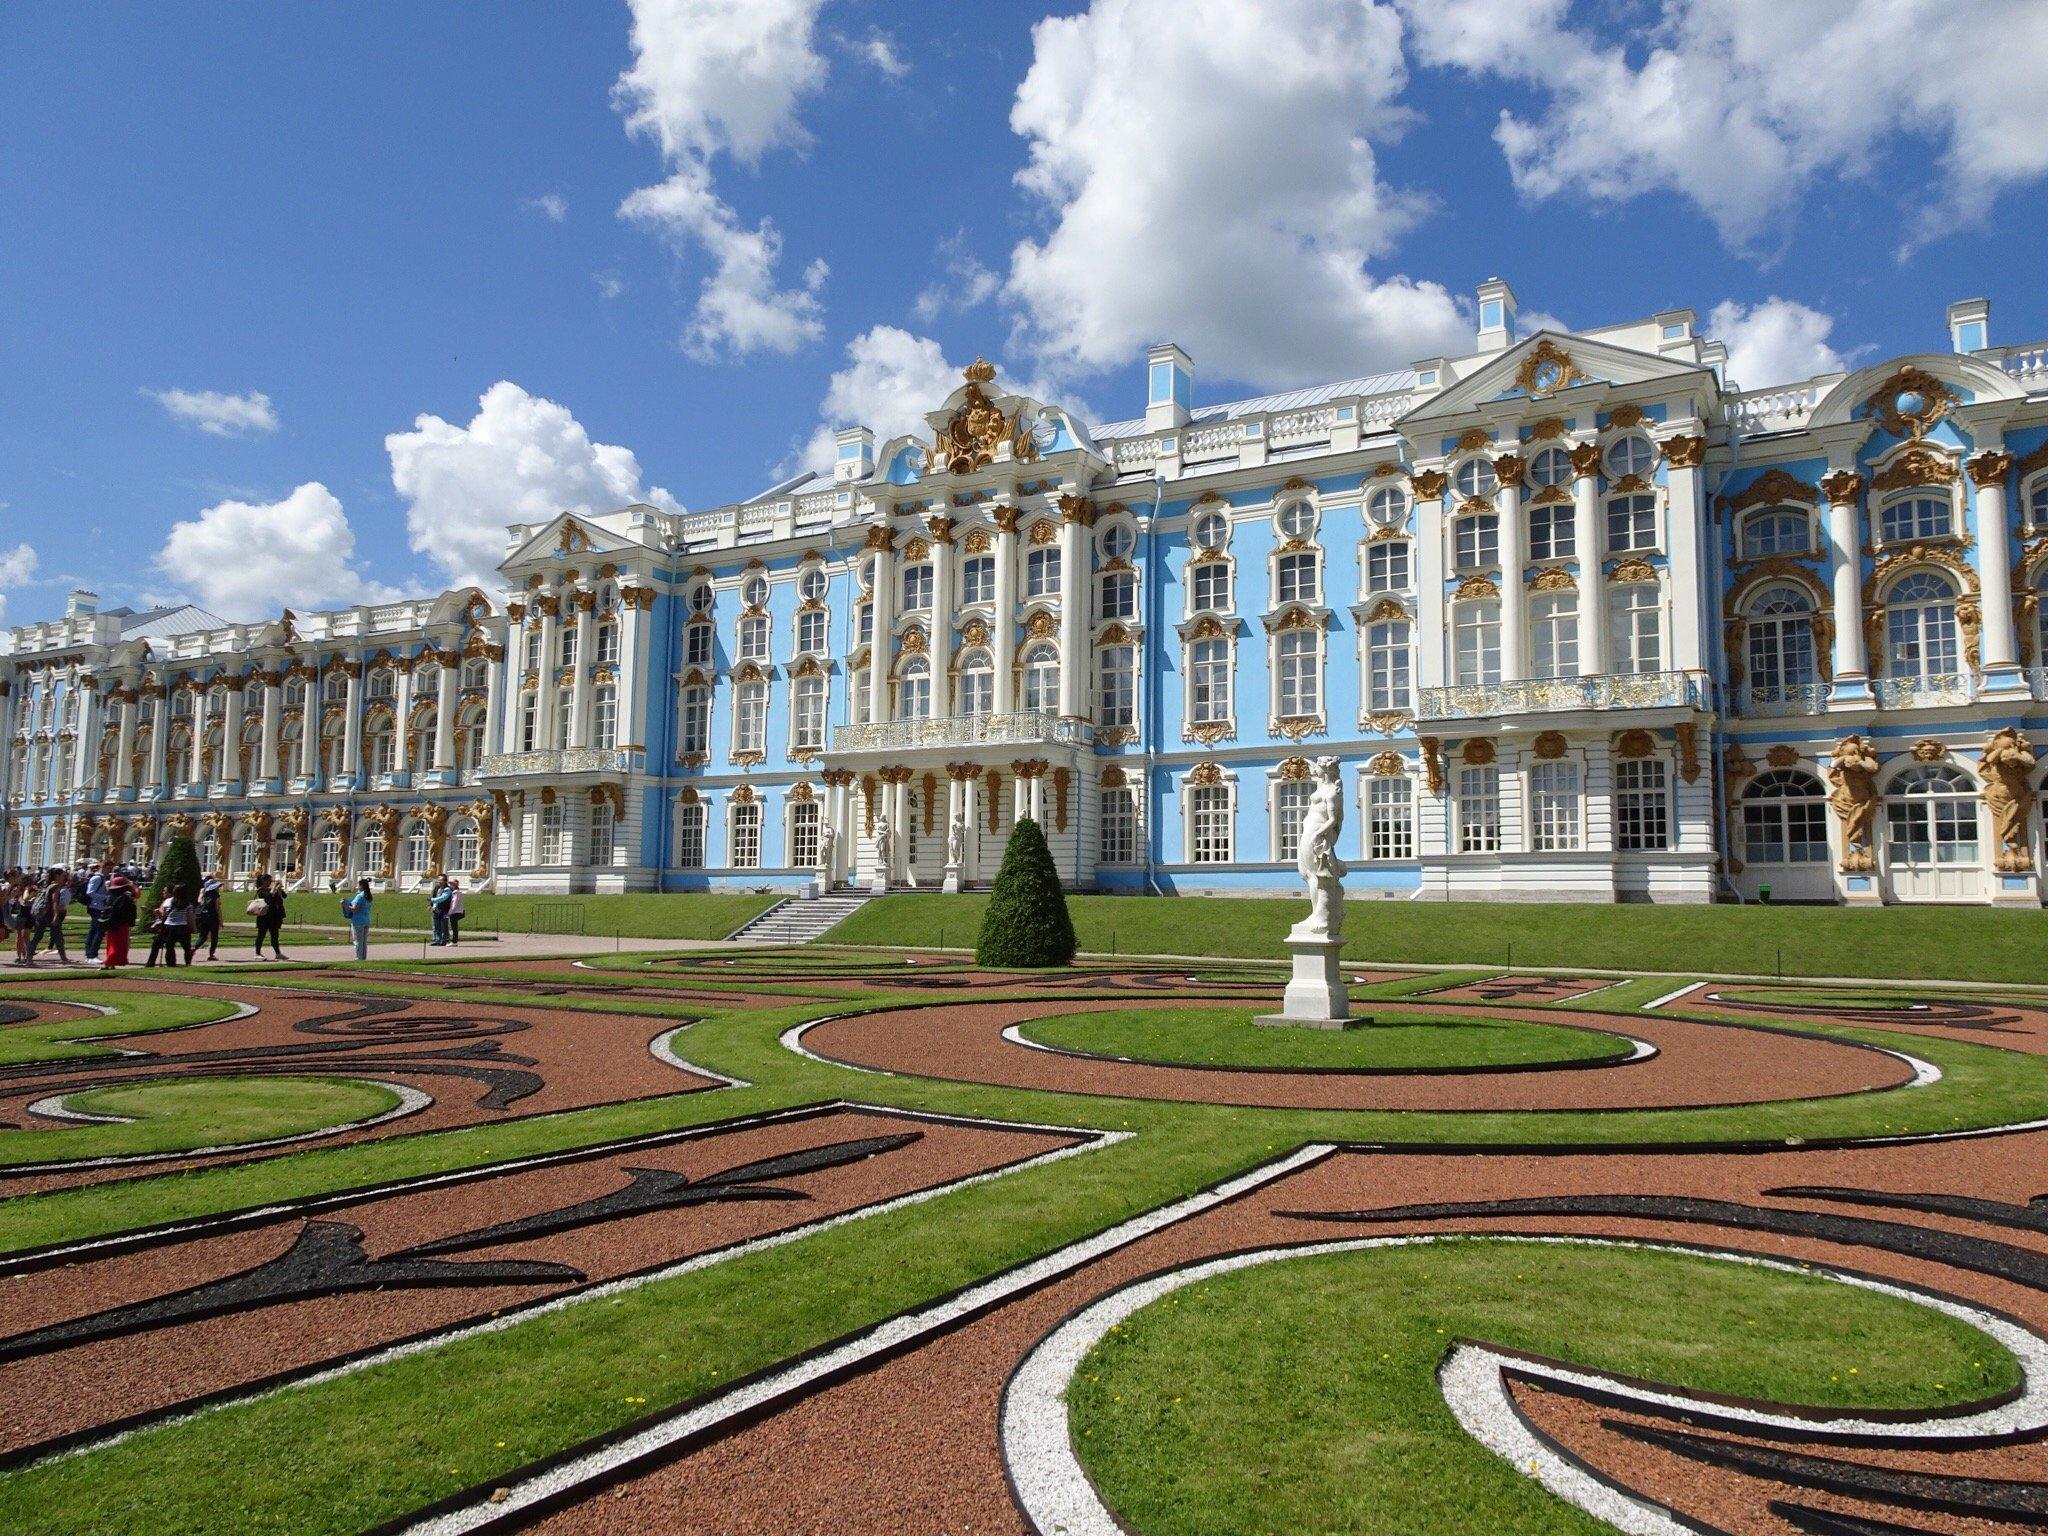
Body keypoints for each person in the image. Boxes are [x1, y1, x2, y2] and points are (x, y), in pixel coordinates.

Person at [100, 875, 137, 971]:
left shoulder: (110, 897)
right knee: (118, 945)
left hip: (110, 923)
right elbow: (130, 912)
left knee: (110, 943)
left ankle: (110, 963)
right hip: (121, 925)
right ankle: (109, 962)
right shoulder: (125, 898)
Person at [250, 874, 290, 961]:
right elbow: (268, 898)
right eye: (269, 881)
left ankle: (278, 953)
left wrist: (279, 889)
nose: (270, 882)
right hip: (264, 916)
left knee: (275, 935)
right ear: (264, 881)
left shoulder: (272, 889)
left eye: (271, 881)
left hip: (274, 916)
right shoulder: (261, 890)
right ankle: (257, 953)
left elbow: (284, 896)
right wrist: (274, 887)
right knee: (261, 935)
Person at [82, 860, 112, 961]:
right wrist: (105, 897)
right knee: (99, 931)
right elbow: (90, 892)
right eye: (109, 868)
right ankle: (92, 955)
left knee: (94, 930)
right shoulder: (97, 878)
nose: (110, 871)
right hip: (96, 907)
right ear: (103, 867)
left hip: (98, 907)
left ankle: (90, 954)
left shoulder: (102, 878)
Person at [341, 877, 374, 960]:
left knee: (357, 941)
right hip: (366, 920)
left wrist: (344, 905)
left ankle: (358, 958)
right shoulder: (369, 896)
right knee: (363, 942)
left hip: (358, 921)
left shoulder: (360, 896)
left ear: (361, 886)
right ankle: (363, 957)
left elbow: (355, 909)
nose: (357, 886)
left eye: (358, 885)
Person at [194, 875, 222, 961]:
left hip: (203, 917)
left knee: (203, 936)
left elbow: (199, 901)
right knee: (214, 937)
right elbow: (218, 909)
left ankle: (193, 949)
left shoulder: (204, 893)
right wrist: (221, 921)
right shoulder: (216, 896)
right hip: (213, 917)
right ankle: (211, 954)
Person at [427, 875, 452, 946]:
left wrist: (432, 900)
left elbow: (442, 898)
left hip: (444, 910)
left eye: (441, 880)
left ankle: (444, 940)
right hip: (436, 909)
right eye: (438, 880)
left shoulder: (447, 889)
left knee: (444, 925)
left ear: (445, 881)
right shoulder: (437, 888)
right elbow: (433, 895)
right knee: (436, 926)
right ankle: (437, 940)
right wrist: (431, 905)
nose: (439, 882)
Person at [446, 878, 464, 946]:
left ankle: (454, 941)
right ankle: (454, 941)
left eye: (451, 884)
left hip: (455, 912)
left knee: (454, 927)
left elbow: (454, 903)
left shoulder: (456, 893)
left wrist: (450, 912)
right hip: (456, 911)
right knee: (454, 927)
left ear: (455, 886)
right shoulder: (455, 892)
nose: (450, 886)